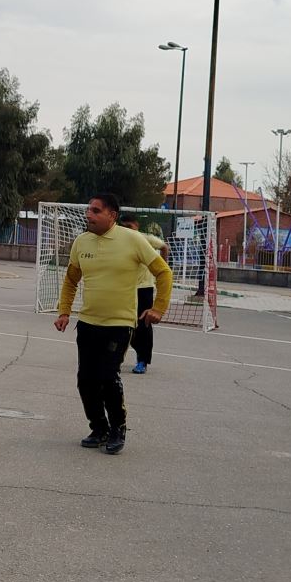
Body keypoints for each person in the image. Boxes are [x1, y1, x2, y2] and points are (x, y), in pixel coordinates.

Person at [54, 193, 172, 455]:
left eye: (96, 211)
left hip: (119, 324)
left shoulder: (133, 240)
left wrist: (158, 308)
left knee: (108, 377)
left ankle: (118, 429)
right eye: (89, 210)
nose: (89, 214)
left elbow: (163, 272)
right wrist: (64, 312)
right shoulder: (81, 242)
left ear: (112, 215)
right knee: (86, 380)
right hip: (88, 322)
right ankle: (99, 428)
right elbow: (71, 279)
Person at [119, 213, 169, 375]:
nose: (127, 230)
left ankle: (143, 360)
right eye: (124, 227)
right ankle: (117, 357)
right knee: (122, 323)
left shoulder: (145, 239)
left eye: (130, 226)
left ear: (136, 225)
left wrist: (163, 267)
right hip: (125, 288)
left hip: (144, 288)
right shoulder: (119, 241)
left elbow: (164, 247)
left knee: (143, 325)